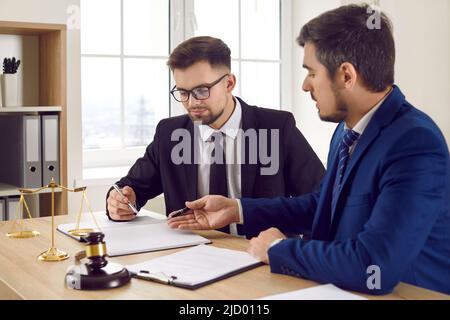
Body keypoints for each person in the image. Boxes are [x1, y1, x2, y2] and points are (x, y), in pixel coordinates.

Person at [168, 5, 450, 295]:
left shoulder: (415, 144)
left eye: (311, 73)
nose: (304, 85)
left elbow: (372, 265)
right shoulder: (347, 130)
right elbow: (323, 205)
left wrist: (279, 248)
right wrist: (236, 210)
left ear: (346, 76)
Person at [106, 36, 325, 236]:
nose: (191, 103)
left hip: (259, 257)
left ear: (229, 83)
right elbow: (131, 187)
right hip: (191, 258)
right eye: (183, 92)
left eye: (202, 91)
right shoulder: (169, 134)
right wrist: (121, 201)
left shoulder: (277, 128)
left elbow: (322, 201)